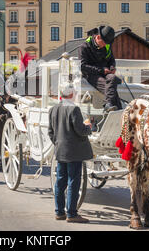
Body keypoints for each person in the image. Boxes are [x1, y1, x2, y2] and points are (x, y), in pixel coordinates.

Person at [48, 84, 93, 223]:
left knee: (60, 181)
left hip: (60, 150)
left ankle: (59, 212)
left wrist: (58, 143)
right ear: (71, 94)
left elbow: (50, 132)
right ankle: (72, 214)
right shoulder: (74, 109)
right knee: (73, 181)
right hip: (74, 152)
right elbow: (80, 130)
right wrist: (89, 127)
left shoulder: (53, 109)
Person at [80, 26, 122, 111]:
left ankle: (108, 104)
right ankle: (116, 108)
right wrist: (101, 70)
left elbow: (111, 60)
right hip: (91, 75)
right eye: (104, 42)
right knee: (110, 88)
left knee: (113, 78)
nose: (105, 45)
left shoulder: (107, 46)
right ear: (98, 37)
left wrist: (112, 67)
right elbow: (83, 66)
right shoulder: (84, 47)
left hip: (105, 73)